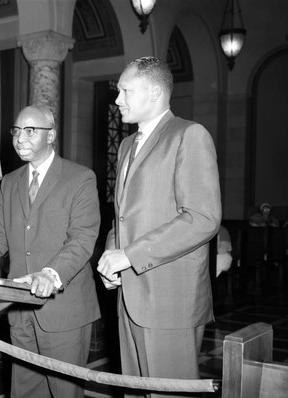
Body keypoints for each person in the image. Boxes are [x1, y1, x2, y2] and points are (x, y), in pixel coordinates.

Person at [0, 105, 101, 398]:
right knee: (25, 391)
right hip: (19, 305)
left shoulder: (80, 178)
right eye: (16, 130)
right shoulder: (10, 182)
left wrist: (50, 274)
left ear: (50, 135)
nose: (20, 138)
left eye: (31, 130)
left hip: (62, 309)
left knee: (64, 393)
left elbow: (82, 238)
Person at [96, 57, 221, 398]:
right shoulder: (126, 146)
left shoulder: (189, 135)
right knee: (136, 392)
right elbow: (121, 217)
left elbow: (203, 218)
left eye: (125, 90)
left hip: (170, 300)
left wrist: (130, 256)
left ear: (153, 92)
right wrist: (111, 253)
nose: (118, 99)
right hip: (130, 295)